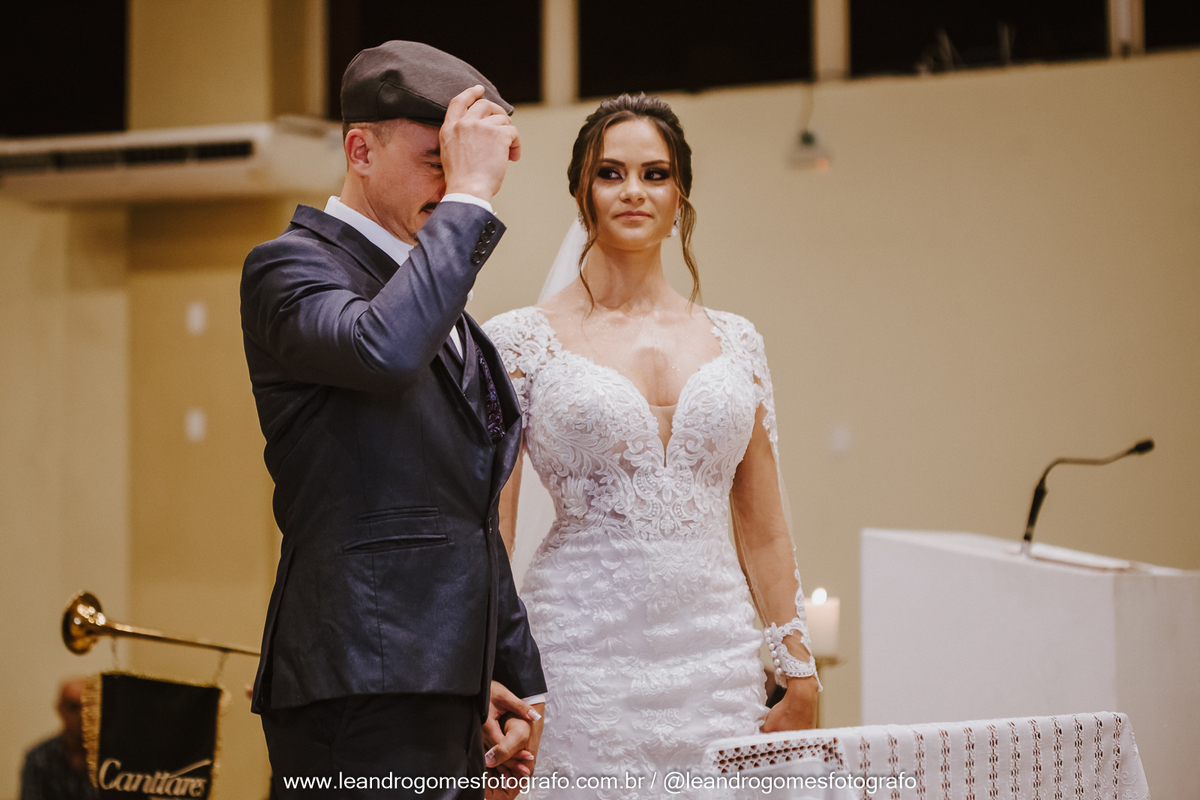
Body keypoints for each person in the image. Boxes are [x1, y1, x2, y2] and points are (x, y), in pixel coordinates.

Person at [482, 94, 821, 797]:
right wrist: (483, 665)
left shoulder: (737, 341)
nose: (633, 190)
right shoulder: (517, 341)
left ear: (680, 195)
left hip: (716, 656)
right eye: (610, 173)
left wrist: (798, 669)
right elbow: (494, 529)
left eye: (655, 174)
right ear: (582, 193)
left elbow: (763, 529)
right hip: (579, 652)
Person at [240, 41, 545, 799]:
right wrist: (470, 198)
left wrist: (505, 671)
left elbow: (470, 514)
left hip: (447, 684)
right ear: (359, 150)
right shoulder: (289, 266)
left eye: (462, 167)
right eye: (436, 162)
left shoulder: (442, 304)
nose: (452, 185)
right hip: (356, 679)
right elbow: (382, 350)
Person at [19, 678, 96, 800]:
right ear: (60, 709)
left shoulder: (111, 756)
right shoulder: (39, 758)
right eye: (74, 707)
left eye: (88, 705)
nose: (82, 714)